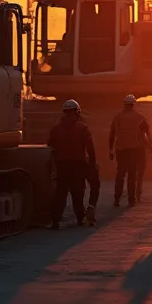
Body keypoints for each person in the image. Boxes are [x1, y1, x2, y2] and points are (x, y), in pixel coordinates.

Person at [48, 98, 96, 229]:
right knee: (78, 192)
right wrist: (92, 164)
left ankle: (55, 221)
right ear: (77, 112)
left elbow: (50, 148)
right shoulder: (82, 128)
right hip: (77, 165)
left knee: (60, 193)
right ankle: (80, 218)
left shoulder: (56, 129)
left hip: (62, 165)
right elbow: (90, 147)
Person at [109, 94, 152, 208]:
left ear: (124, 105)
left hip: (121, 150)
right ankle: (131, 200)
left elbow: (112, 135)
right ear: (133, 104)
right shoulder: (140, 117)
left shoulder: (117, 118)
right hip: (135, 149)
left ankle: (117, 199)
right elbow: (147, 134)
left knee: (120, 174)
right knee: (132, 175)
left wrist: (110, 150)